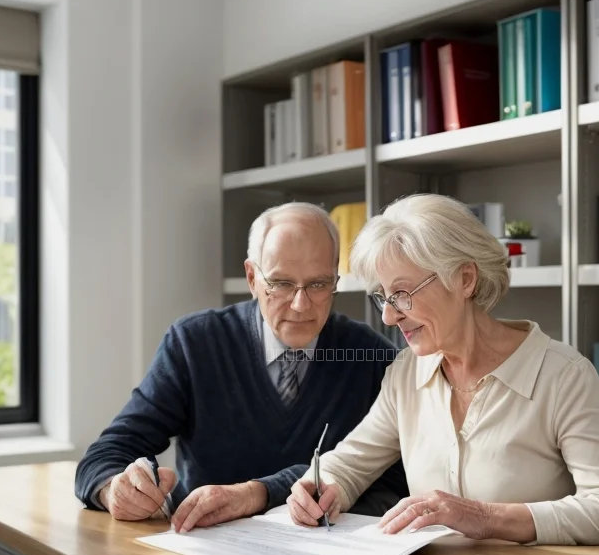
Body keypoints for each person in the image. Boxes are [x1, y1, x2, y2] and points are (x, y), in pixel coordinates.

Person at [288, 194, 599, 546]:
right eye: (384, 296)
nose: (389, 316)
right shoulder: (406, 374)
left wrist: (485, 517)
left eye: (402, 293)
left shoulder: (563, 376)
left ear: (465, 279)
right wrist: (320, 486)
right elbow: (350, 464)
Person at [75, 201, 408, 530]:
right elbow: (105, 455)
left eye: (318, 284)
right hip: (201, 550)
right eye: (281, 284)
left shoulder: (373, 357)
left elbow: (395, 489)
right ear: (252, 277)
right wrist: (114, 489)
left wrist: (261, 495)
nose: (300, 304)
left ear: (336, 278)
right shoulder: (194, 343)